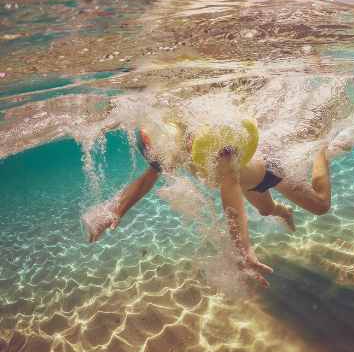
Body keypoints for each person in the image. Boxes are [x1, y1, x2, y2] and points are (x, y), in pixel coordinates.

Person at [86, 122, 334, 288]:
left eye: (162, 159)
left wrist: (242, 248)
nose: (165, 167)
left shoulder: (211, 145)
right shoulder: (168, 146)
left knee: (321, 205)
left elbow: (231, 187)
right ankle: (284, 211)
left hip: (271, 168)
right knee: (267, 210)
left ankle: (320, 147)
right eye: (158, 160)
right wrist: (116, 209)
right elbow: (145, 180)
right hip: (250, 184)